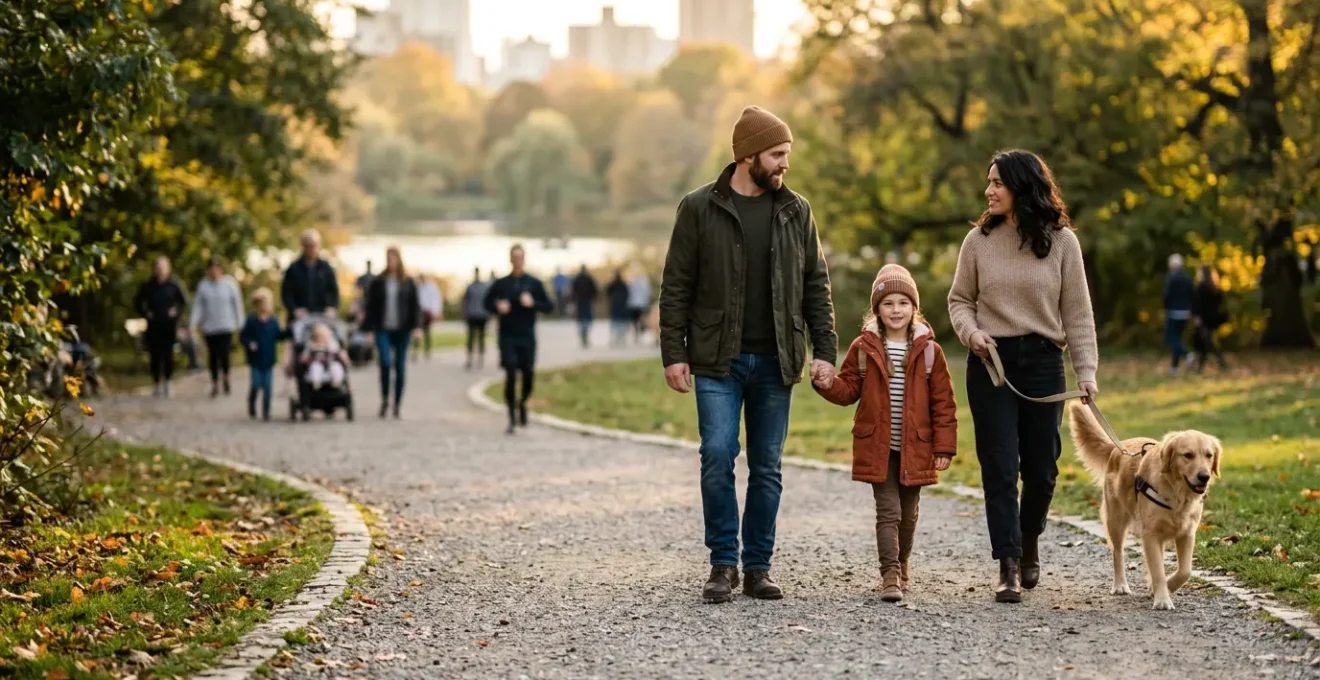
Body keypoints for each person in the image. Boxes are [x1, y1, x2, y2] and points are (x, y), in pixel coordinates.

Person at [659, 105, 837, 603]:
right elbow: (676, 286)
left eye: (786, 155)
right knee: (717, 456)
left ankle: (758, 566)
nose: (785, 164)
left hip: (777, 360)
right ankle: (723, 564)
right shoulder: (698, 208)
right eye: (778, 154)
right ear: (748, 154)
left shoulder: (796, 210)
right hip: (718, 359)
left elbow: (815, 286)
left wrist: (825, 351)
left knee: (768, 465)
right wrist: (674, 352)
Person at [947, 149, 1099, 604]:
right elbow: (959, 301)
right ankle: (1008, 564)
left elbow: (1078, 314)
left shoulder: (1063, 243)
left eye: (997, 183)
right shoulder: (978, 241)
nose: (988, 191)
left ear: (1022, 186)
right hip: (990, 362)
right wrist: (971, 334)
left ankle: (1029, 537)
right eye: (988, 182)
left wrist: (1086, 372)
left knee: (1042, 468)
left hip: (1044, 361)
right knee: (998, 465)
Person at [813, 265, 957, 602]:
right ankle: (890, 574)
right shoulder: (864, 348)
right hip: (878, 446)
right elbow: (848, 389)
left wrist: (944, 447)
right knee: (888, 511)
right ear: (877, 308)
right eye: (888, 303)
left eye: (903, 303)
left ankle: (903, 562)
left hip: (917, 447)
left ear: (913, 308)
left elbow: (944, 404)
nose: (896, 310)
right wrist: (826, 384)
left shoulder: (930, 352)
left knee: (909, 514)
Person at [483, 244, 554, 434]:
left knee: (528, 375)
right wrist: (498, 306)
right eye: (514, 257)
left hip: (527, 336)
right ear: (510, 259)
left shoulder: (533, 283)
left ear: (524, 259)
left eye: (520, 257)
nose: (517, 261)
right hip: (507, 335)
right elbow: (486, 303)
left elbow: (549, 306)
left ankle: (522, 402)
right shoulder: (501, 284)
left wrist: (533, 303)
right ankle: (511, 417)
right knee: (511, 373)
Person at [362, 246, 423, 418]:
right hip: (383, 328)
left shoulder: (408, 282)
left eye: (393, 258)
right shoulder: (378, 281)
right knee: (385, 362)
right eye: (388, 259)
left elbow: (415, 307)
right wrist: (367, 329)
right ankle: (384, 400)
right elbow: (371, 307)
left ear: (399, 259)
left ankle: (397, 404)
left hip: (403, 329)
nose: (391, 262)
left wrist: (417, 327)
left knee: (400, 366)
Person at [189, 256, 245, 398]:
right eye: (211, 269)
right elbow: (198, 307)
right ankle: (215, 382)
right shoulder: (203, 286)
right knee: (213, 356)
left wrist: (241, 324)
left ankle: (226, 376)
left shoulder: (230, 284)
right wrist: (193, 324)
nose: (214, 272)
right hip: (210, 327)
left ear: (220, 269)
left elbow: (237, 305)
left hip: (226, 325)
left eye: (216, 269)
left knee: (224, 353)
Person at [133, 256, 188, 398]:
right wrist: (146, 313)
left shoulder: (174, 284)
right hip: (153, 326)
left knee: (168, 355)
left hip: (169, 326)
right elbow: (138, 301)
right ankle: (156, 383)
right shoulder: (148, 285)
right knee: (155, 355)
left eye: (163, 267)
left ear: (168, 268)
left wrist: (175, 313)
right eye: (158, 267)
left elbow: (183, 303)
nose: (160, 270)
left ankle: (168, 382)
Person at [240, 288, 282, 420]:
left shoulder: (273, 321)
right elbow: (243, 337)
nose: (264, 306)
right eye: (261, 304)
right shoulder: (251, 321)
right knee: (256, 384)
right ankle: (252, 404)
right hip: (255, 359)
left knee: (268, 387)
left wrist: (291, 331)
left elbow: (279, 335)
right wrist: (250, 343)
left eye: (266, 303)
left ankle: (266, 412)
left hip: (268, 359)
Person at [281, 229, 340, 324]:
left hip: (322, 316)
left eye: (313, 245)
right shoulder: (293, 269)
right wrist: (294, 310)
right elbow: (286, 294)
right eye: (308, 246)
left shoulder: (326, 268)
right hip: (300, 318)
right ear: (303, 246)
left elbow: (334, 291)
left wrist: (331, 307)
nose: (311, 249)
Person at [1192, 264, 1229, 372]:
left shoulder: (1201, 288)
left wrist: (1197, 316)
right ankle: (1201, 367)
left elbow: (1198, 305)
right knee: (1205, 342)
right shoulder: (1214, 288)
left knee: (1207, 342)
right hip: (1212, 319)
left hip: (1205, 319)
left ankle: (1219, 360)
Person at [1163, 253, 1195, 375]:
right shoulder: (1187, 278)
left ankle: (1186, 354)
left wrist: (1166, 310)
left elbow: (1167, 296)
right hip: (1186, 312)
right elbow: (1192, 295)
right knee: (1178, 339)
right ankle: (1174, 367)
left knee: (1173, 339)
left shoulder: (1171, 278)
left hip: (1174, 312)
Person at [301, 323, 348, 390]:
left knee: (336, 367)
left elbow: (340, 353)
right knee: (315, 367)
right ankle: (316, 382)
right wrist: (306, 356)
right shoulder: (311, 345)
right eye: (320, 336)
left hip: (330, 362)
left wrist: (342, 356)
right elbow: (304, 356)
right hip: (317, 363)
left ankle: (337, 382)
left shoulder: (332, 344)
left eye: (325, 336)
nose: (322, 338)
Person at [462, 267, 491, 370]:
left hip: (482, 316)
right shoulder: (470, 287)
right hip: (472, 315)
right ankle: (469, 359)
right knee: (471, 338)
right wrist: (465, 314)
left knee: (481, 338)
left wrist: (489, 314)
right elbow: (465, 301)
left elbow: (489, 301)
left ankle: (480, 358)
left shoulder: (485, 287)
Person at [571, 265, 598, 348]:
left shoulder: (577, 279)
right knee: (587, 319)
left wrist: (574, 299)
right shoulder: (589, 278)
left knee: (581, 320)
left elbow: (573, 290)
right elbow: (594, 290)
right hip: (587, 302)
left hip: (580, 302)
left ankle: (583, 336)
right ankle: (585, 336)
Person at [417, 274, 443, 360]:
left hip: (428, 312)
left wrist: (436, 312)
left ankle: (427, 350)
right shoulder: (418, 287)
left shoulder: (431, 287)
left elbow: (436, 299)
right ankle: (416, 350)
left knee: (427, 332)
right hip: (420, 311)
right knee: (417, 331)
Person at [627, 267, 652, 344]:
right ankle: (637, 335)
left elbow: (647, 293)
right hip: (635, 304)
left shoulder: (643, 281)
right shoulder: (632, 281)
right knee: (635, 321)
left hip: (641, 304)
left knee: (641, 321)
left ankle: (640, 334)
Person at [606, 269, 631, 348]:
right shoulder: (623, 285)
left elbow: (607, 292)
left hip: (615, 306)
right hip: (622, 307)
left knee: (615, 323)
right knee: (621, 323)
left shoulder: (612, 285)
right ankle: (621, 338)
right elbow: (627, 294)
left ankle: (616, 339)